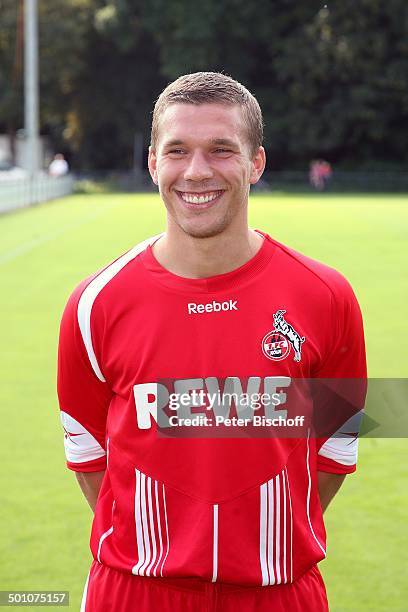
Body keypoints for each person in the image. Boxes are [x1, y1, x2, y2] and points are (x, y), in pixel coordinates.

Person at [57, 72, 366, 611]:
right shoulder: (93, 303)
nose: (197, 171)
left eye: (221, 150)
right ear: (154, 162)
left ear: (256, 163)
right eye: (177, 150)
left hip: (280, 593)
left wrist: (260, 543)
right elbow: (88, 453)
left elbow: (336, 446)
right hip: (134, 592)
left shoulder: (327, 296)